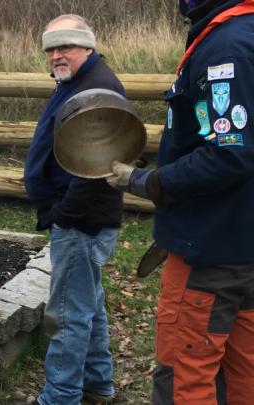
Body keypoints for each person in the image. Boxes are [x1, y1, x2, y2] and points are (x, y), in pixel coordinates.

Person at [108, 0, 254, 403]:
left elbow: (229, 153)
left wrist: (148, 180)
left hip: (210, 250)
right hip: (241, 243)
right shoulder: (242, 35)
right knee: (242, 370)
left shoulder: (227, 48)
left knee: (185, 374)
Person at [22, 14, 125, 405]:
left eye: (64, 46)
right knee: (89, 306)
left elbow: (95, 169)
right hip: (81, 218)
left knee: (66, 315)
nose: (56, 55)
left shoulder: (97, 89)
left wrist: (64, 214)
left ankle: (59, 398)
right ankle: (98, 386)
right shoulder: (76, 80)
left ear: (87, 45)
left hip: (81, 222)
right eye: (50, 48)